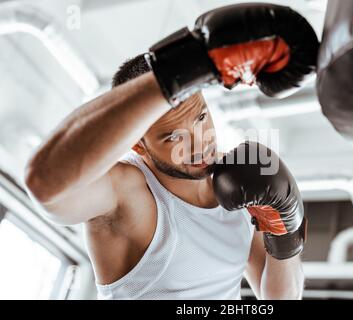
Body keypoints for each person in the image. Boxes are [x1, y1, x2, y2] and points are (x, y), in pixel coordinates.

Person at [23, 3, 318, 299]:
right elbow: (45, 183)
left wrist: (284, 232)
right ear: (139, 144)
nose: (200, 142)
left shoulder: (238, 185)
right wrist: (185, 64)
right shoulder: (128, 192)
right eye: (175, 137)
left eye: (201, 118)